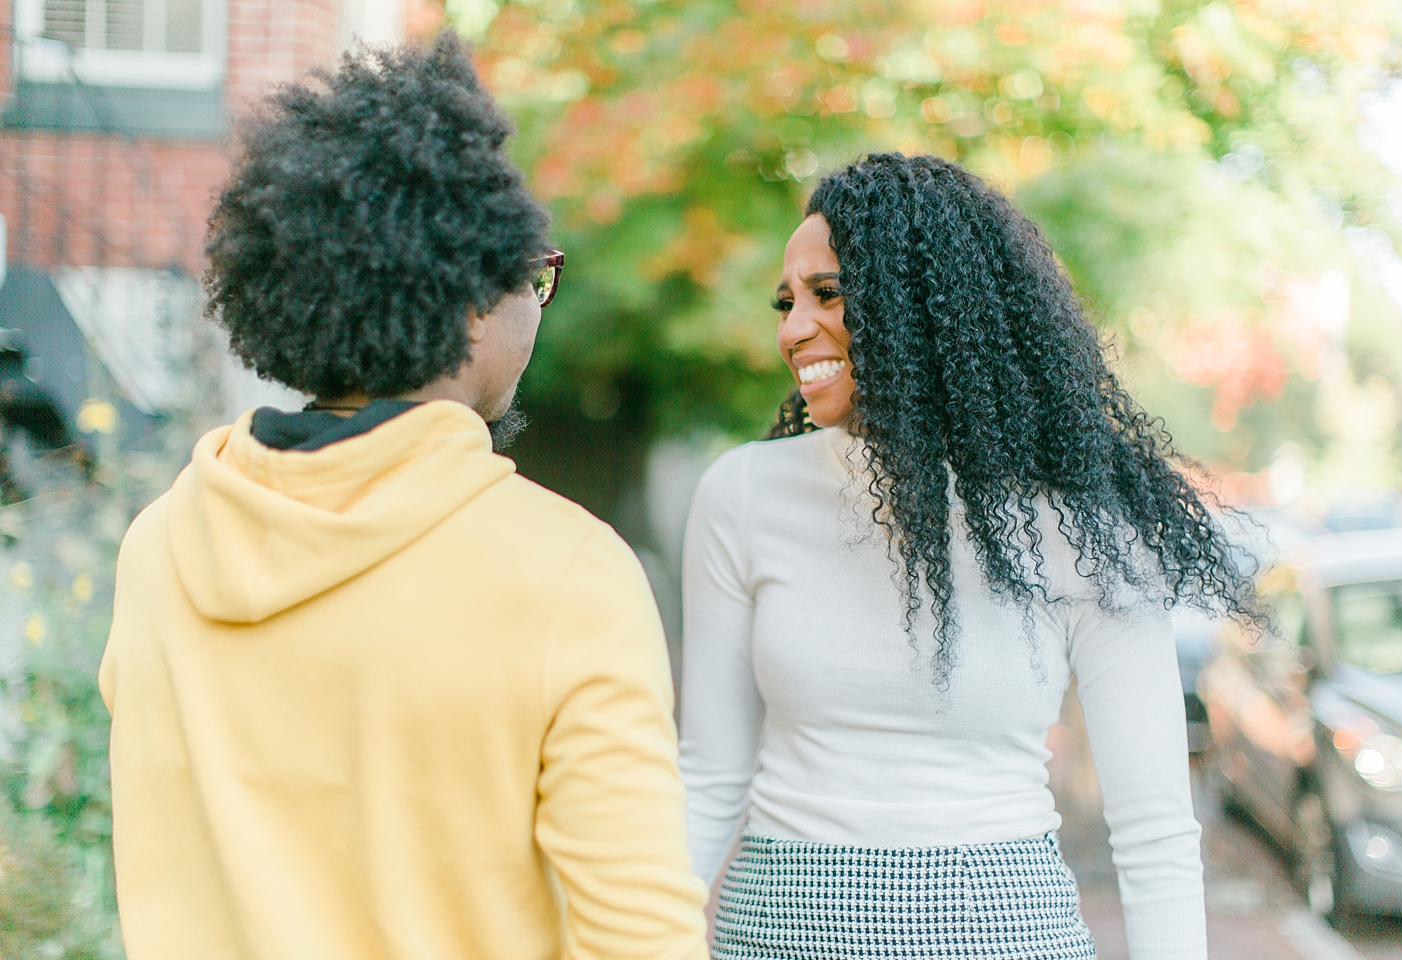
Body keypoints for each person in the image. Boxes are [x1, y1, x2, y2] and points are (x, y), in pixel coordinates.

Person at [99, 34, 709, 960]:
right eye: (534, 275)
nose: (538, 306)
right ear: (471, 297)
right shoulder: (566, 575)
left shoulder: (160, 548)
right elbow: (641, 941)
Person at [679, 153, 1258, 960]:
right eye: (785, 301)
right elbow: (708, 777)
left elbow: (1155, 827)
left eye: (828, 294)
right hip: (778, 931)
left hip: (1004, 932)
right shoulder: (742, 496)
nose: (790, 329)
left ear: (919, 307)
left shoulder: (1085, 525)